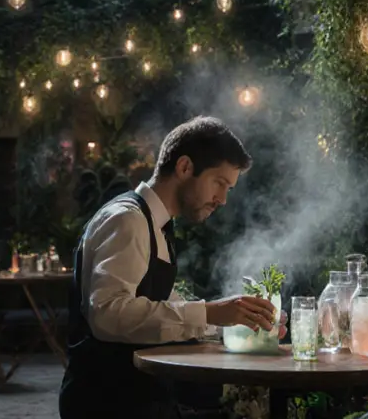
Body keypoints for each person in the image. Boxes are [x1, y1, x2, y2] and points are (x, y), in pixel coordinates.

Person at [59, 116, 285, 419]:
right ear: (185, 167)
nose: (223, 199)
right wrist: (209, 313)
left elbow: (159, 306)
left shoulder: (157, 225)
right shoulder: (128, 219)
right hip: (106, 401)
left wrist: (237, 321)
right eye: (219, 183)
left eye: (228, 188)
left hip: (140, 397)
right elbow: (108, 313)